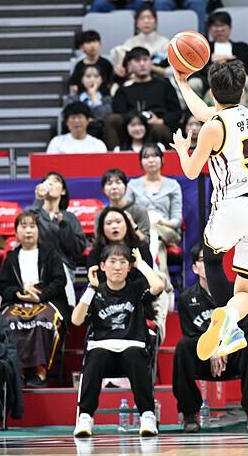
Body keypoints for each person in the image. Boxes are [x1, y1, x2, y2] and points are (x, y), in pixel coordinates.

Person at [171, 60, 248, 362]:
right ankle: (231, 322)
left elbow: (191, 171)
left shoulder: (211, 128)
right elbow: (207, 113)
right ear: (242, 91)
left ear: (211, 92)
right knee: (245, 292)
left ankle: (221, 315)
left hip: (233, 206)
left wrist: (181, 149)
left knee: (211, 259)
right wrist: (182, 84)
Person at [173, 243, 248, 433]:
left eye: (211, 260)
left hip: (232, 356)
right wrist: (212, 350)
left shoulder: (235, 293)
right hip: (204, 357)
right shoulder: (185, 298)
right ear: (194, 268)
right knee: (183, 346)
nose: (208, 264)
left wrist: (223, 348)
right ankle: (189, 415)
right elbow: (190, 334)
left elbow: (242, 329)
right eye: (203, 260)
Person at [72, 243, 165, 437]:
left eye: (123, 262)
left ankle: (147, 415)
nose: (117, 267)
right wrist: (91, 287)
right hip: (102, 349)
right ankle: (85, 417)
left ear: (129, 267)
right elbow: (76, 320)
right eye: (112, 262)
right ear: (102, 266)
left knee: (135, 354)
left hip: (132, 347)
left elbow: (158, 286)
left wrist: (141, 264)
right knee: (95, 356)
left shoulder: (136, 288)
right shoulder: (95, 291)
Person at [0, 211, 70, 388]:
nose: (28, 231)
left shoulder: (50, 254)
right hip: (18, 301)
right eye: (23, 226)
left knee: (41, 320)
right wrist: (19, 292)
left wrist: (39, 296)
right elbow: (4, 287)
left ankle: (40, 370)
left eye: (32, 226)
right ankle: (20, 370)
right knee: (12, 321)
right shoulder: (11, 258)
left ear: (38, 230)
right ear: (16, 232)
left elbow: (59, 282)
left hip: (47, 301)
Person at [87, 206, 173, 344]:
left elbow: (145, 281)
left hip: (138, 300)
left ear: (127, 225)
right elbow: (97, 281)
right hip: (106, 303)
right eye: (109, 223)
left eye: (118, 222)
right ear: (102, 228)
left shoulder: (140, 249)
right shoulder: (95, 253)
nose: (114, 226)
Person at [107, 47, 182, 147]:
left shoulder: (164, 85)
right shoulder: (123, 90)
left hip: (159, 125)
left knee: (157, 128)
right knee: (112, 119)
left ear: (151, 62)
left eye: (145, 59)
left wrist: (160, 121)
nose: (142, 64)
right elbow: (119, 114)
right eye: (137, 61)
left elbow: (176, 112)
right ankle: (115, 154)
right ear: (129, 65)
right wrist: (135, 121)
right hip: (131, 127)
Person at [32, 171, 87, 307]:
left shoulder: (70, 218)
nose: (50, 183)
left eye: (55, 181)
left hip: (63, 269)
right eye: (47, 180)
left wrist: (64, 227)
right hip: (35, 266)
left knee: (65, 308)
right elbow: (25, 230)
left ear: (63, 191)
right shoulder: (34, 213)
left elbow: (78, 249)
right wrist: (38, 200)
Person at [127, 143, 183, 275]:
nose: (151, 160)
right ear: (141, 162)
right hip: (141, 231)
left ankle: (147, 272)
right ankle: (160, 278)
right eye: (146, 157)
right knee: (155, 239)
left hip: (167, 230)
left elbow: (177, 220)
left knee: (152, 232)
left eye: (155, 156)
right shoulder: (132, 185)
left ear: (162, 159)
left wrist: (163, 222)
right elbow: (127, 214)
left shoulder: (173, 185)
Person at [196, 11, 248, 91]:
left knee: (246, 81)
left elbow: (243, 62)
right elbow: (201, 66)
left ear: (230, 28)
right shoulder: (205, 47)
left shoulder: (242, 46)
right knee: (194, 83)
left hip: (235, 78)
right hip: (208, 79)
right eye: (216, 26)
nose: (219, 29)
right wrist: (230, 58)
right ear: (209, 29)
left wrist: (217, 59)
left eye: (223, 25)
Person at [111, 6, 170, 79]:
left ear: (155, 22)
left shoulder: (165, 42)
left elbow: (170, 71)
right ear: (136, 23)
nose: (146, 21)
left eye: (149, 18)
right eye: (142, 18)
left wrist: (150, 67)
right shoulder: (130, 42)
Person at [98, 168, 151, 238]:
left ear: (126, 187)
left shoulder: (139, 211)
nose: (114, 187)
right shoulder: (101, 215)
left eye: (118, 183)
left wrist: (133, 226)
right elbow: (99, 241)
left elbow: (146, 241)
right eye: (109, 184)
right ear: (103, 190)